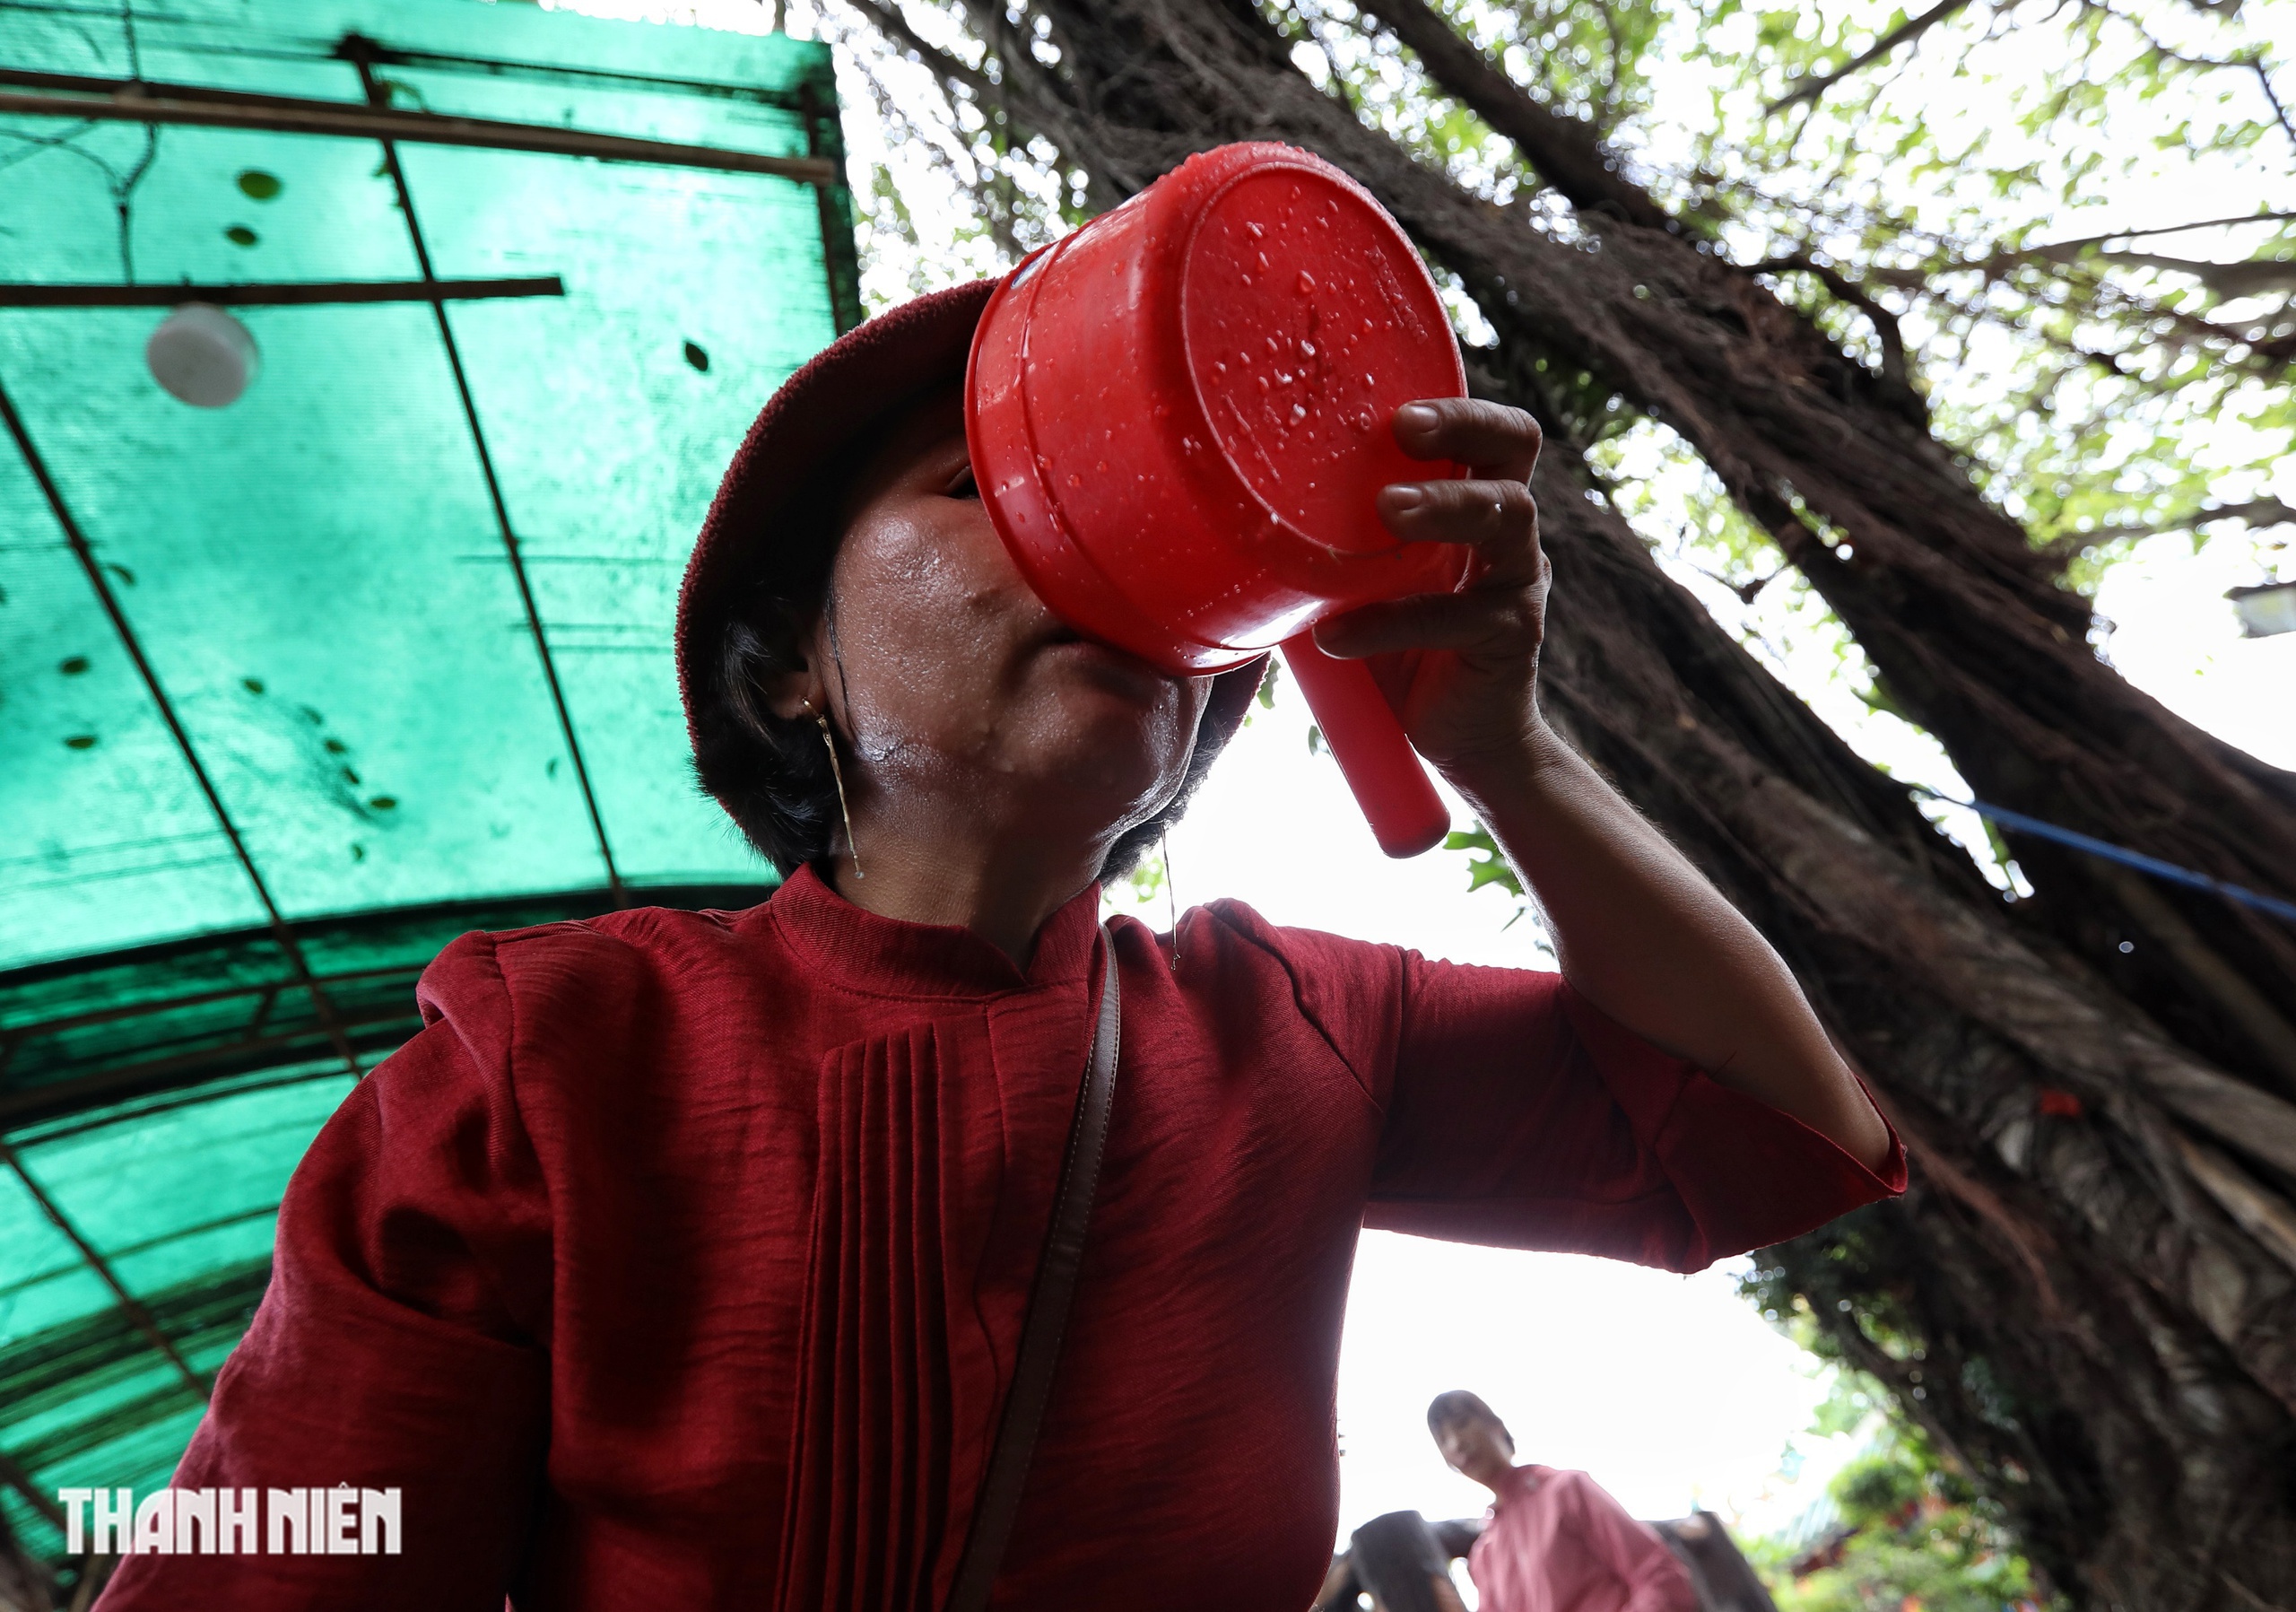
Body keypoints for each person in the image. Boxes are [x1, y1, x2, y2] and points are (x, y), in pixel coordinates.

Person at [99, 262, 1900, 1609]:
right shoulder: (551, 1051)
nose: (1096, 552)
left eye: (1143, 524)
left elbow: (1768, 1141)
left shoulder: (1291, 1019)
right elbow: (272, 1545)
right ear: (792, 657)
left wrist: (1498, 743)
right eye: (983, 487)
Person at [1429, 1390, 1700, 1612]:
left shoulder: (1566, 1490)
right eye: (1443, 1440)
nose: (1456, 1444)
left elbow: (1658, 1574)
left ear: (1496, 1425)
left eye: (1462, 1424)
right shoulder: (1484, 1557)